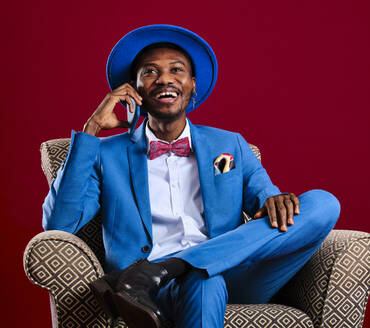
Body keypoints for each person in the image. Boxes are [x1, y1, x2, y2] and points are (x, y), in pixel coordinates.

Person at [42, 25, 341, 328]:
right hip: (159, 293)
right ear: (134, 89)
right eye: (150, 72)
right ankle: (166, 273)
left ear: (193, 85)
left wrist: (276, 201)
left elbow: (266, 200)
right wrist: (92, 129)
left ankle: (165, 268)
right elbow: (60, 225)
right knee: (203, 282)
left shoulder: (230, 145)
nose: (164, 79)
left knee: (323, 203)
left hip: (234, 271)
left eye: (176, 69)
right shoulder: (106, 155)